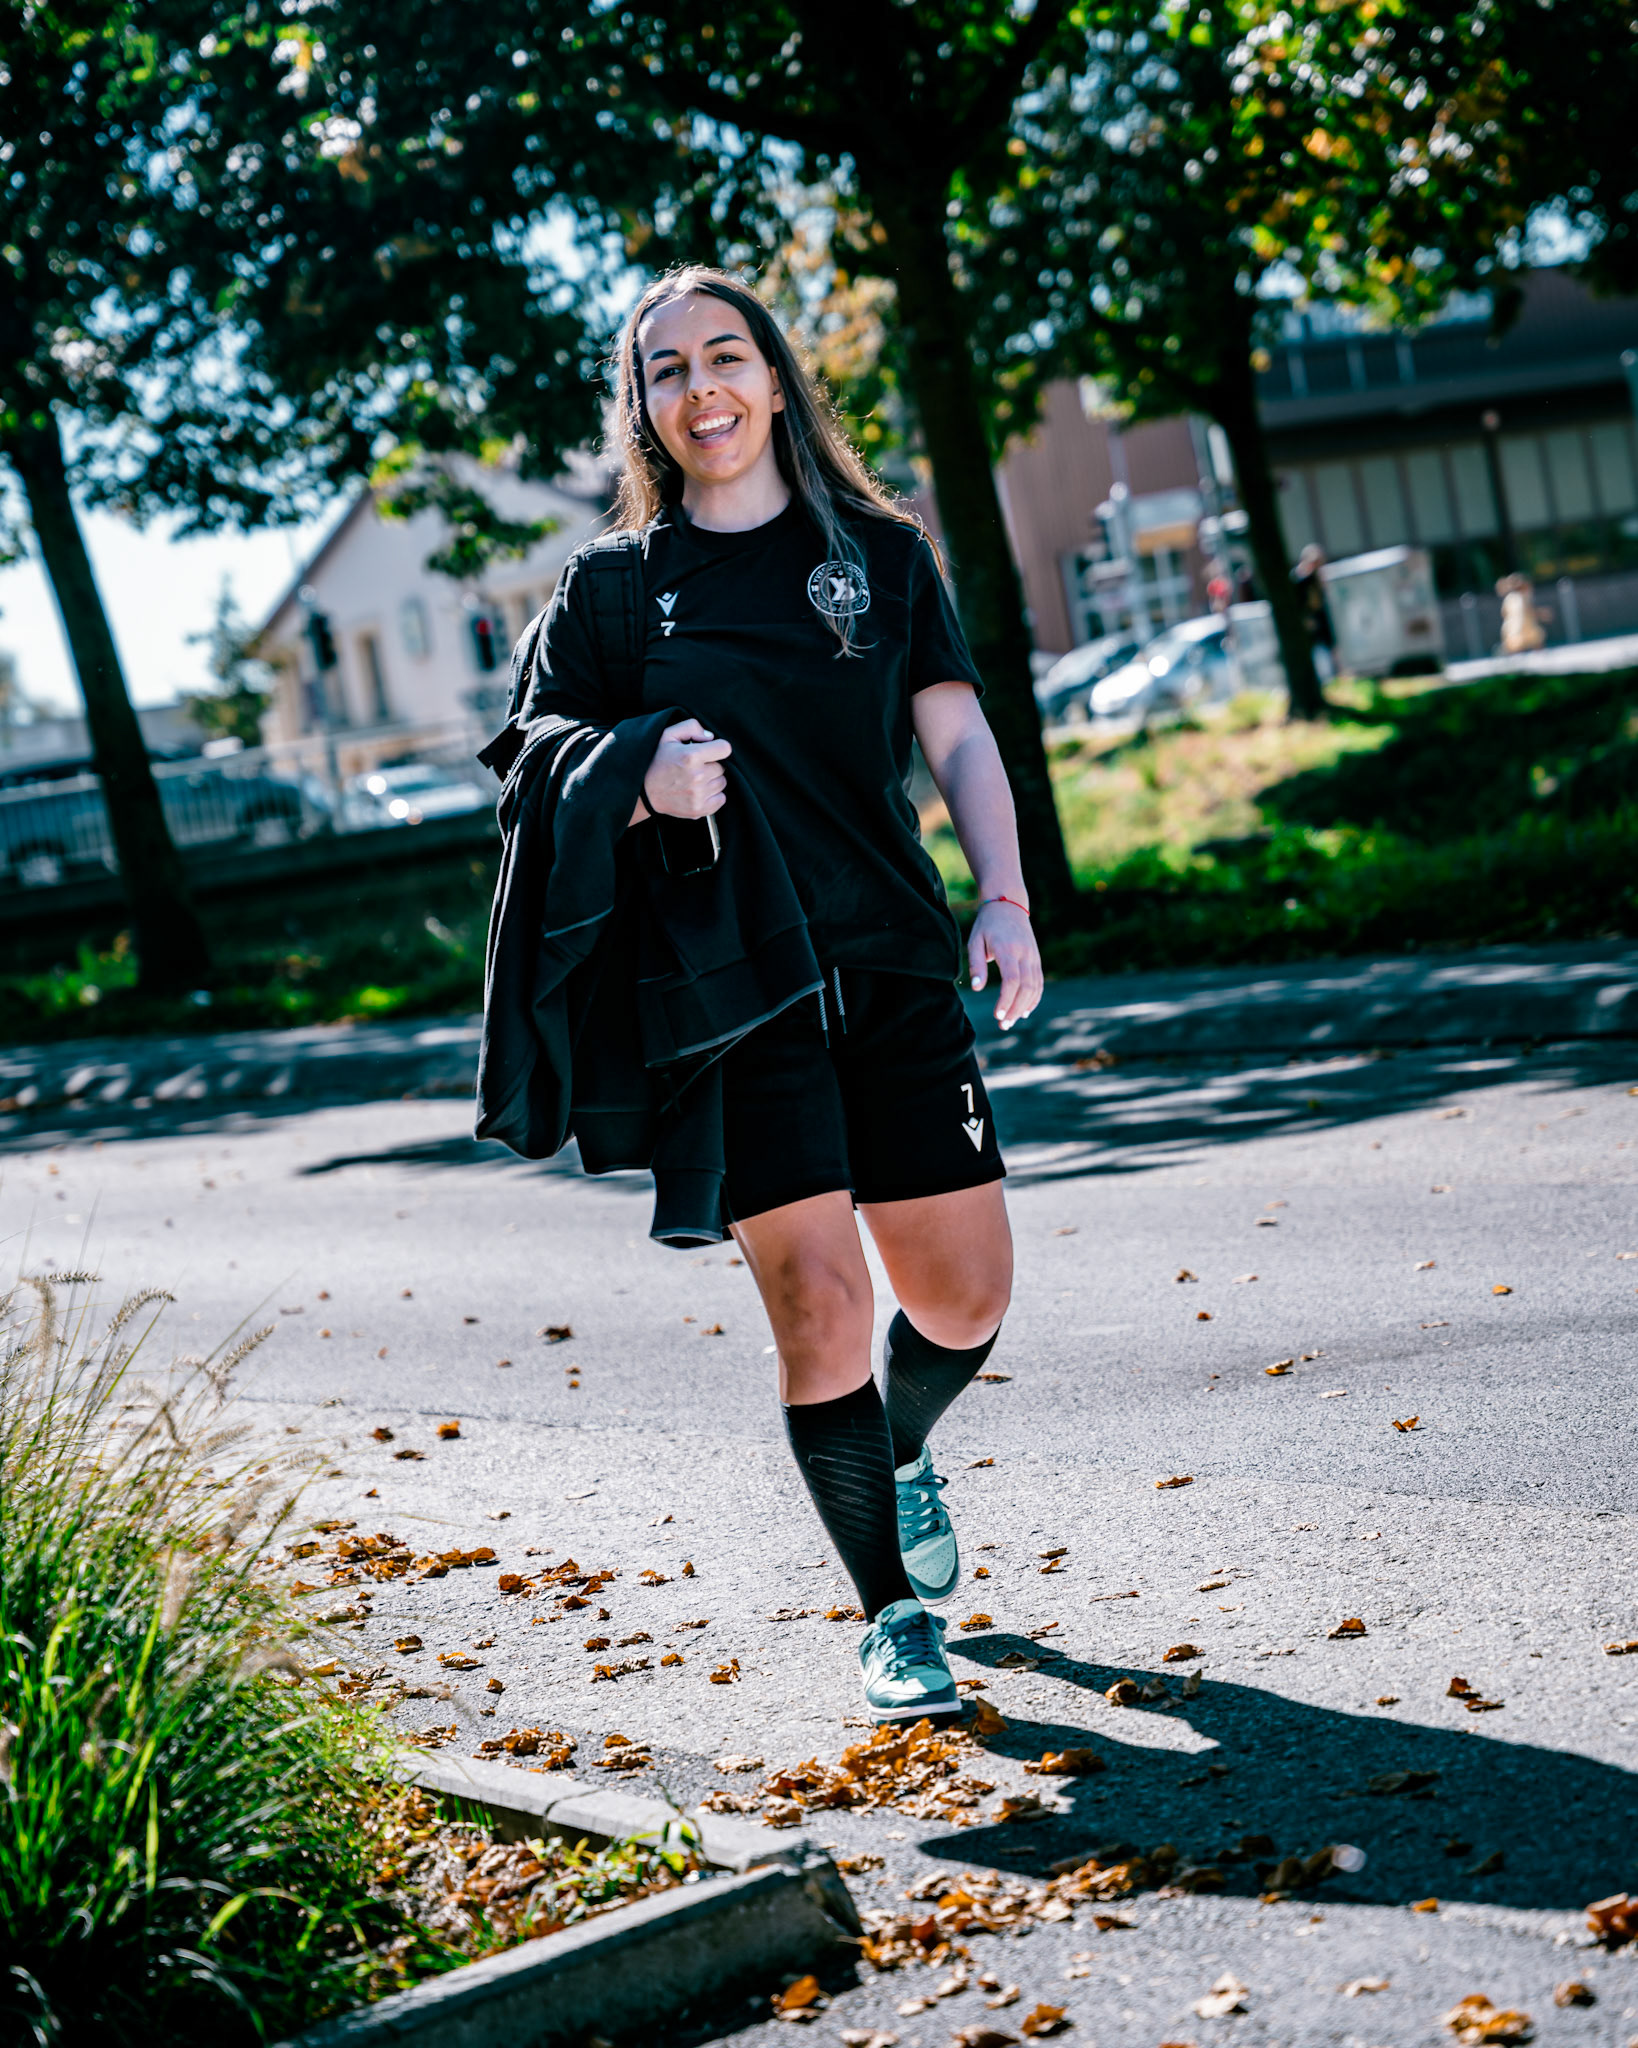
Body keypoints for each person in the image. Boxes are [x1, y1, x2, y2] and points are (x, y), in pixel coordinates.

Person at [519, 267, 1043, 1720]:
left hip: (888, 961)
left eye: (726, 356)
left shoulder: (877, 552)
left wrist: (1001, 898)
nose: (703, 391)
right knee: (816, 1303)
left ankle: (909, 1445)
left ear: (772, 375)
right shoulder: (614, 590)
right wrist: (637, 777)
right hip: (724, 994)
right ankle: (890, 1617)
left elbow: (957, 734)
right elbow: (530, 757)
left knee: (963, 1295)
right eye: (668, 370)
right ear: (643, 408)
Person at [1292, 542, 1337, 681]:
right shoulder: (1300, 579)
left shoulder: (1319, 577)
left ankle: (1334, 675)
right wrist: (1306, 618)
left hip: (1321, 617)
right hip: (1310, 620)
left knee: (1330, 646)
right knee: (1314, 651)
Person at [1496, 572, 1548, 655]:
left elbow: (1504, 614)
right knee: (1536, 638)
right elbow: (1528, 611)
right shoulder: (1521, 598)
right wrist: (1541, 614)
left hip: (1511, 631)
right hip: (1521, 630)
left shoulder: (1509, 598)